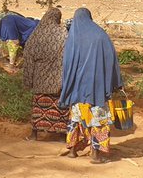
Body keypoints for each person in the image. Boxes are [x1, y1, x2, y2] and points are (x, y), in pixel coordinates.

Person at [57, 8, 123, 164]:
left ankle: (72, 151)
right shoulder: (101, 35)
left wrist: (67, 86)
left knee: (76, 119)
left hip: (77, 90)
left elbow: (67, 65)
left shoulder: (73, 37)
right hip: (98, 89)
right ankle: (95, 154)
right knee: (98, 120)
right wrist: (116, 82)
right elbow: (111, 59)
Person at [22, 8, 68, 140]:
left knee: (39, 107)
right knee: (60, 107)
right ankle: (61, 136)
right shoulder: (64, 33)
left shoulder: (37, 34)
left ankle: (34, 135)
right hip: (59, 79)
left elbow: (29, 58)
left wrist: (27, 81)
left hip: (40, 80)